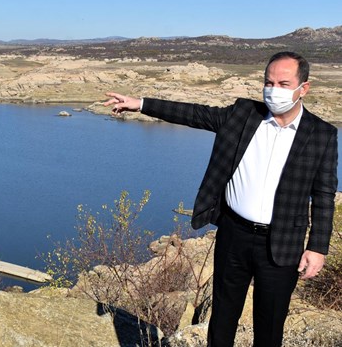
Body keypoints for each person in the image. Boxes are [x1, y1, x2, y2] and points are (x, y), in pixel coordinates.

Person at [103, 51, 338, 347]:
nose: (273, 90)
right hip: (234, 236)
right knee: (222, 320)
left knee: (270, 327)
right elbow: (195, 114)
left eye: (283, 83)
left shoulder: (322, 134)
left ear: (303, 88)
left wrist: (317, 247)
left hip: (282, 244)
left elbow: (324, 194)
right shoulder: (243, 114)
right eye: (268, 82)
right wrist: (142, 104)